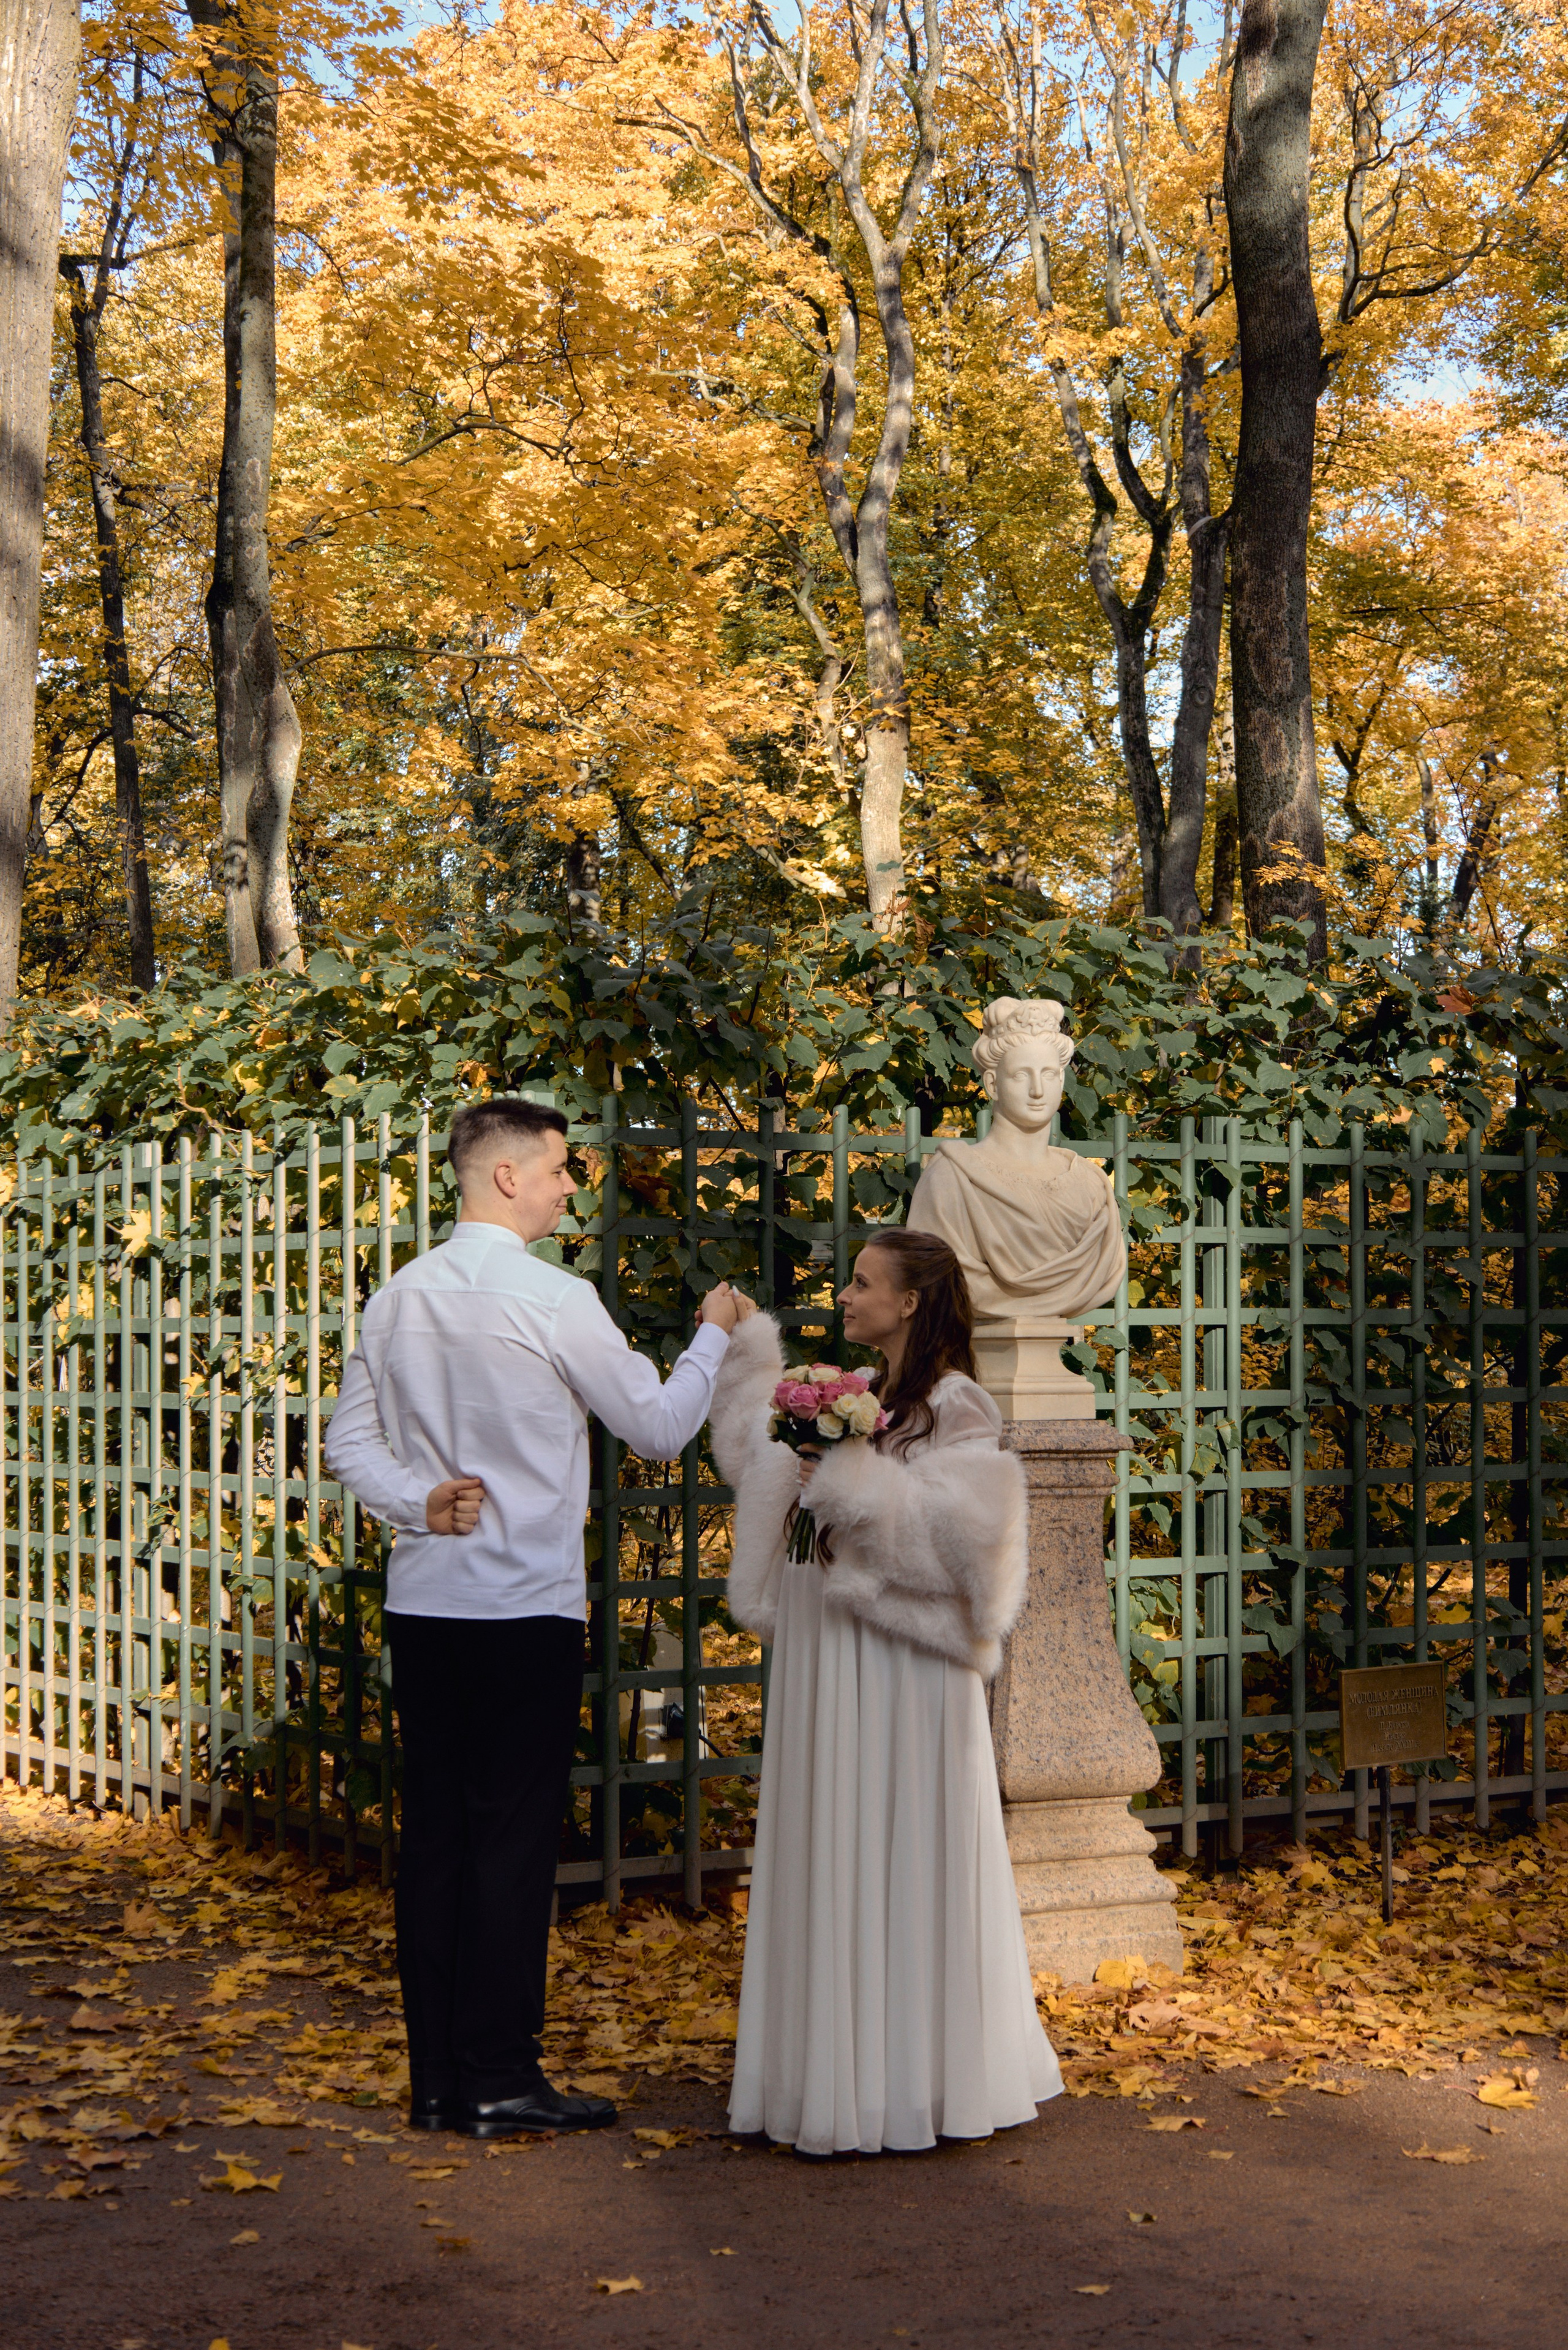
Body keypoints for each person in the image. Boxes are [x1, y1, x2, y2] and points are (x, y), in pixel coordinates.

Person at [324, 1096, 748, 2141]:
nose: (570, 1185)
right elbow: (654, 1427)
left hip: (426, 1605)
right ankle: (502, 2076)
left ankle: (439, 2084)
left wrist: (413, 1501)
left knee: (434, 1841)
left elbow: (346, 1444)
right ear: (505, 1175)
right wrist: (711, 1338)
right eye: (559, 1169)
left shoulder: (395, 1299)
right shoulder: (556, 1298)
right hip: (523, 1612)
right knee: (508, 1841)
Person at [709, 1228, 1061, 2155]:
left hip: (901, 1665)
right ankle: (828, 2069)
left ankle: (915, 2074)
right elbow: (756, 1471)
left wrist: (852, 1484)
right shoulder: (849, 1396)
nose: (848, 1292)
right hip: (829, 1649)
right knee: (834, 1835)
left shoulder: (957, 1403)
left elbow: (975, 1550)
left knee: (900, 1840)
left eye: (865, 1281)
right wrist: (753, 1354)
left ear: (910, 1301)